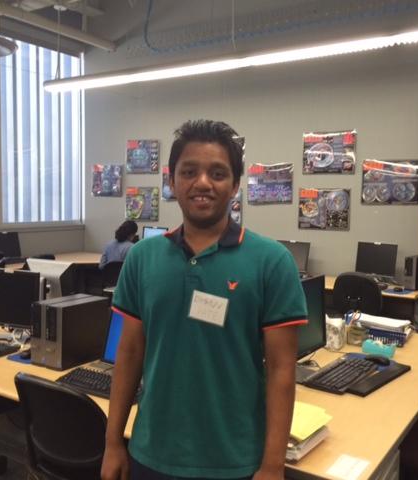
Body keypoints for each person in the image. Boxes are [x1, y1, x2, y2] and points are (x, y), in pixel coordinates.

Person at [101, 120, 308, 480]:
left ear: (235, 186)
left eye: (217, 173)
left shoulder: (272, 261)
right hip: (152, 452)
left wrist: (273, 465)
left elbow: (281, 370)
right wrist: (113, 442)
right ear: (171, 182)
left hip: (236, 459)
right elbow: (130, 354)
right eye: (189, 171)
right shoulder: (142, 258)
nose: (202, 183)